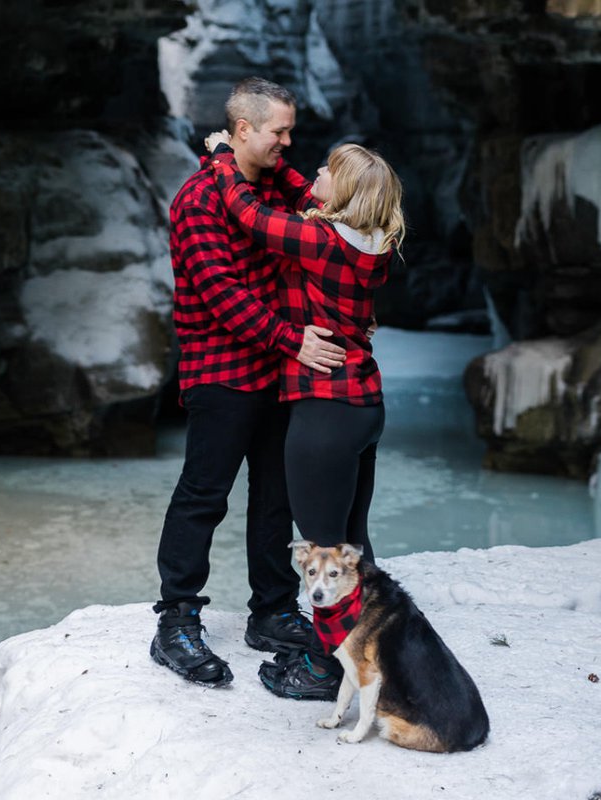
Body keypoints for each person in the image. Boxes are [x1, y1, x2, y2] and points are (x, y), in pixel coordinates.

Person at [150, 77, 348, 687]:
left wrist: (288, 350)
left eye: (290, 130)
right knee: (205, 494)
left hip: (276, 374)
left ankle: (270, 612)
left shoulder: (269, 188)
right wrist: (294, 340)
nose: (289, 141)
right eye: (278, 132)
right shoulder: (199, 201)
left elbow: (313, 204)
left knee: (275, 495)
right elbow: (221, 295)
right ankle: (176, 620)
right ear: (241, 131)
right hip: (221, 371)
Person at [205, 138, 405, 699]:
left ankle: (322, 670)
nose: (313, 171)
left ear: (343, 193)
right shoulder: (373, 241)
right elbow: (305, 193)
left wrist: (224, 156)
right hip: (363, 405)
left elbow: (247, 214)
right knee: (352, 542)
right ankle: (369, 652)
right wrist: (286, 168)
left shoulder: (318, 240)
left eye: (327, 170)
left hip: (323, 413)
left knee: (323, 553)